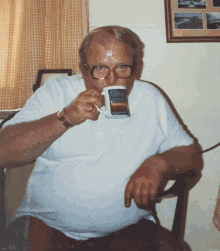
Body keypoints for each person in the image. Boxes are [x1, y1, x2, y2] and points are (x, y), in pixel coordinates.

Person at [0, 25, 202, 251]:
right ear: (84, 69)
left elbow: (191, 155)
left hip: (128, 230)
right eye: (100, 69)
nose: (112, 80)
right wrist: (65, 118)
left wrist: (159, 163)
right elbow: (4, 152)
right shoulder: (55, 93)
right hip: (48, 226)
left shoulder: (149, 98)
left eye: (122, 67)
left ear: (135, 68)